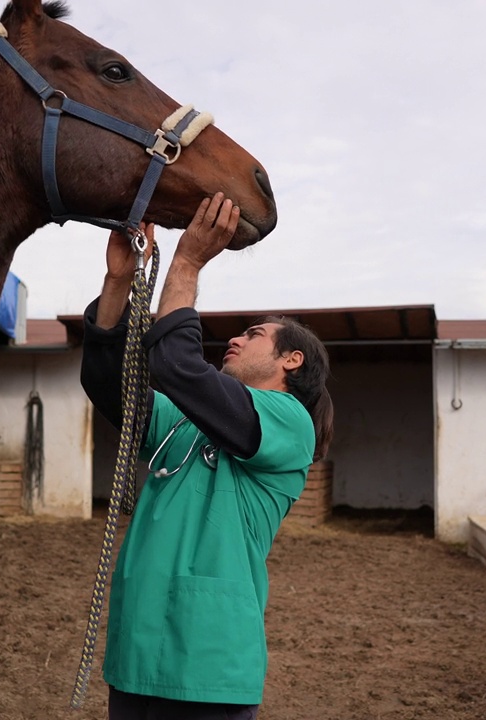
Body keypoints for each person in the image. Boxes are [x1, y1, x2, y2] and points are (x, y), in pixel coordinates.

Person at [81, 193, 333, 719]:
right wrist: (118, 283)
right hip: (136, 652)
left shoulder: (290, 424)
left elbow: (176, 363)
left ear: (292, 358)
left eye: (254, 334)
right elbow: (109, 386)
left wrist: (188, 262)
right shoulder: (187, 419)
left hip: (208, 666)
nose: (236, 340)